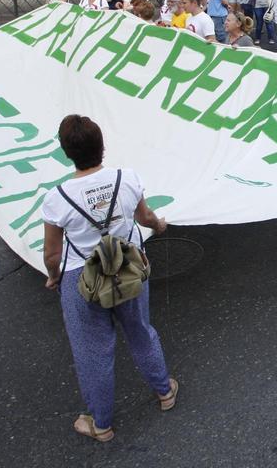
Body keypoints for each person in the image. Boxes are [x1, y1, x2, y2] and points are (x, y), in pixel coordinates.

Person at [39, 115, 177, 441]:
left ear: (65, 152)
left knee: (93, 351)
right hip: (129, 269)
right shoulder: (126, 179)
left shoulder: (57, 198)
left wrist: (53, 277)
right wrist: (159, 226)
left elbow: (52, 254)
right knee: (141, 332)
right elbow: (145, 217)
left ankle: (100, 424)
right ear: (103, 147)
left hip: (82, 280)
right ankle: (164, 391)